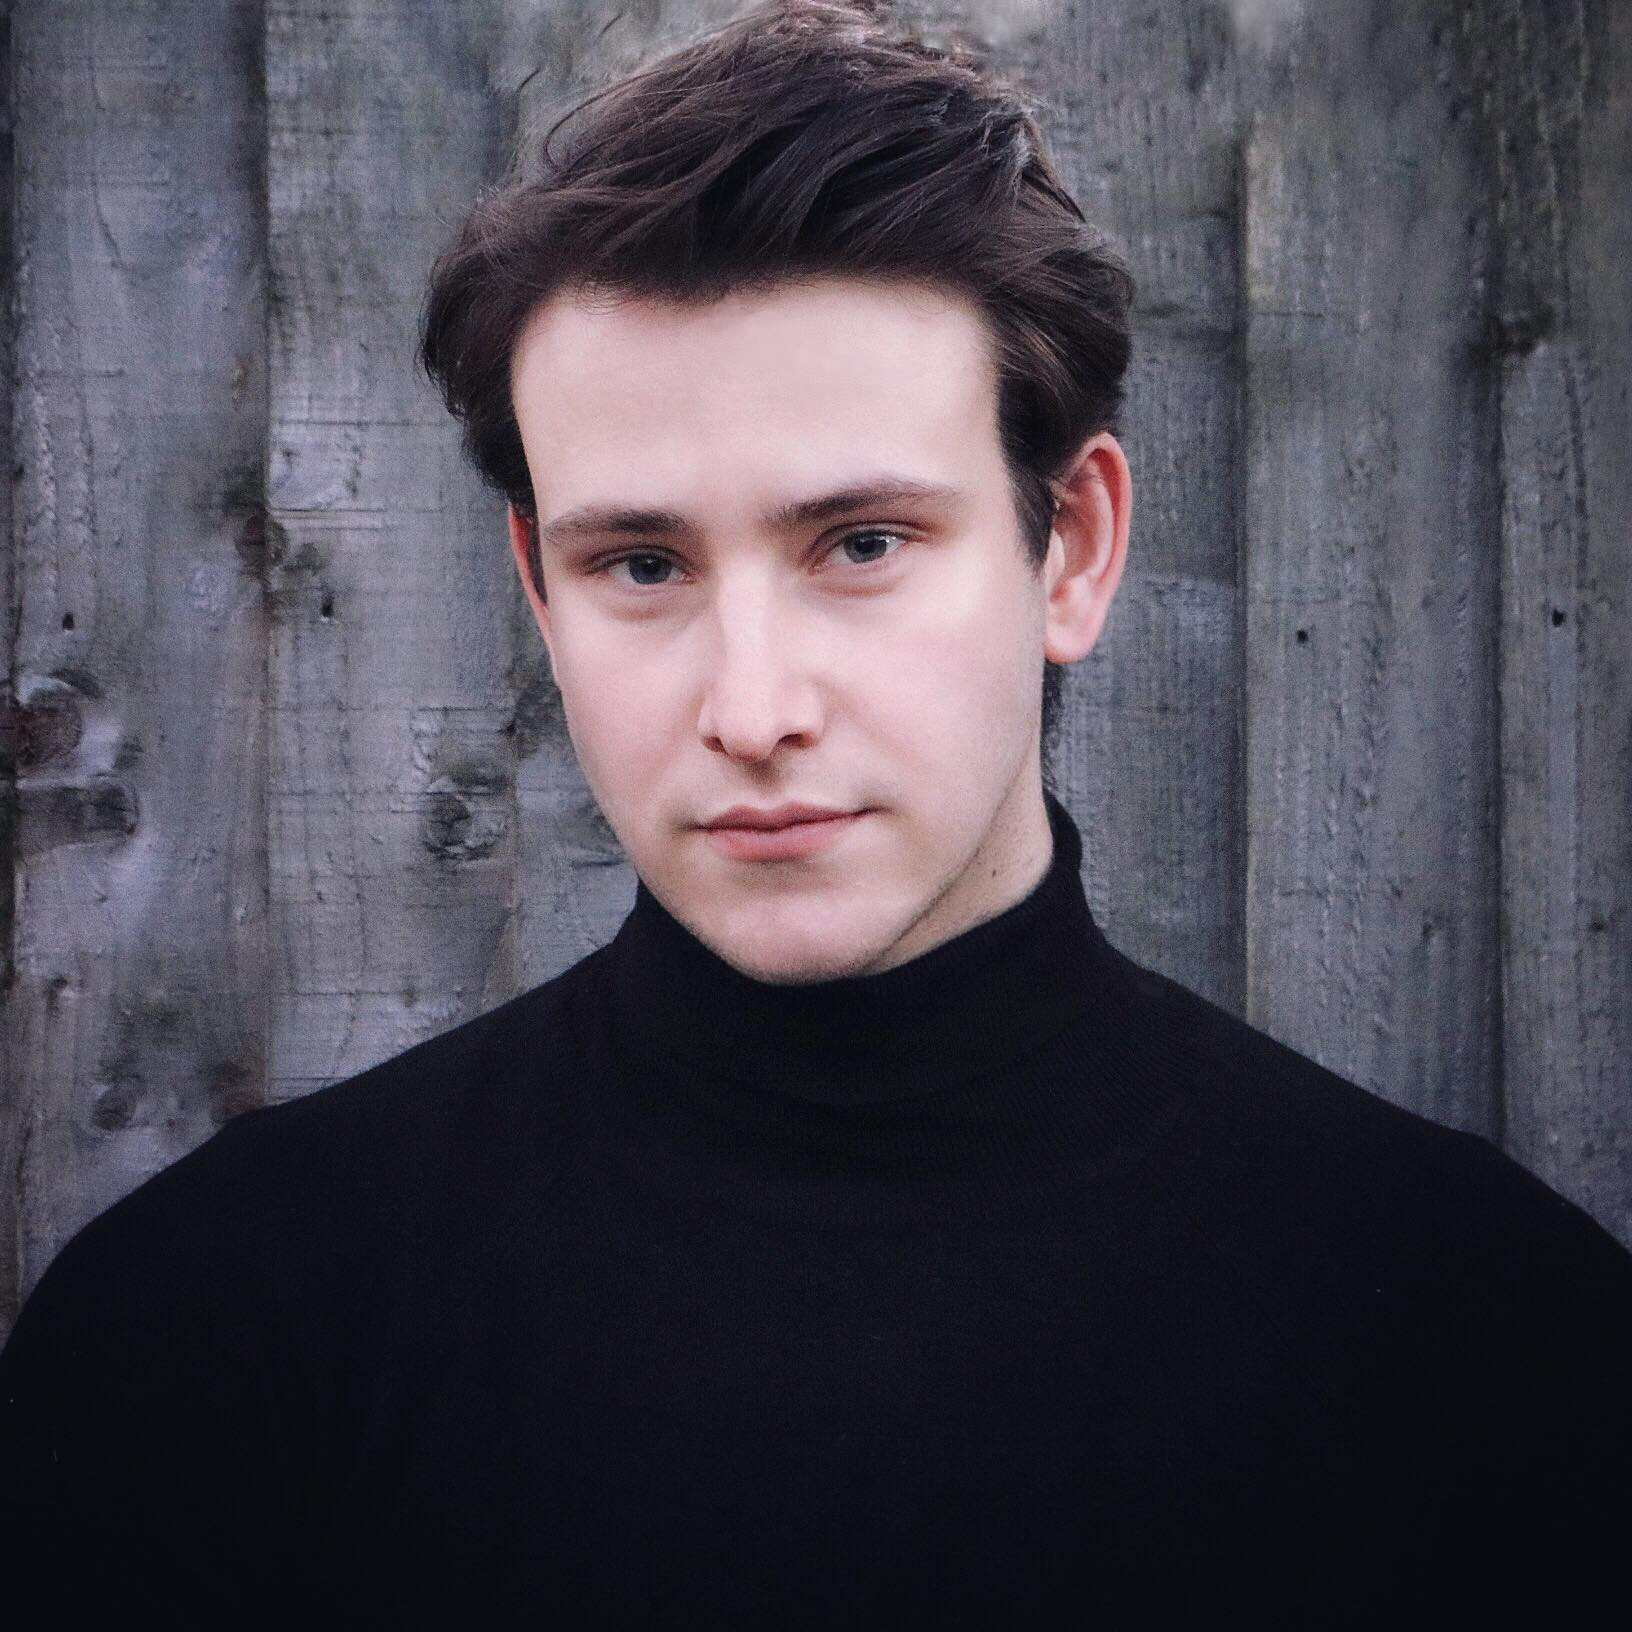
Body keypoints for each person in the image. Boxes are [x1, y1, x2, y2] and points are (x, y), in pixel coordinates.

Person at [3, 0, 1628, 1621]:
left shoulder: (1494, 1343)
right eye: (643, 564)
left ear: (1070, 548)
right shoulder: (209, 1329)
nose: (753, 708)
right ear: (541, 595)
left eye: (861, 544)